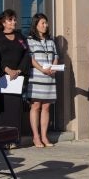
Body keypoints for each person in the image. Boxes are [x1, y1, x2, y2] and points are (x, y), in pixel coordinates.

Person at [0, 9, 31, 137]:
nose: (14, 22)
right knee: (3, 109)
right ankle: (2, 138)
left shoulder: (20, 37)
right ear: (3, 22)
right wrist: (7, 69)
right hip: (4, 79)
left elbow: (27, 54)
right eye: (10, 20)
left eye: (15, 19)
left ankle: (14, 138)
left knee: (15, 109)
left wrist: (19, 70)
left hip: (17, 79)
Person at [26, 13, 58, 148]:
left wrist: (54, 67)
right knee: (36, 105)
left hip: (49, 78)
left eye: (46, 23)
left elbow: (56, 55)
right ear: (36, 25)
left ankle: (44, 136)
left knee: (46, 107)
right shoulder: (30, 40)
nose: (46, 25)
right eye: (43, 23)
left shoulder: (51, 41)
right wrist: (41, 69)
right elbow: (31, 58)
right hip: (37, 77)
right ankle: (36, 137)